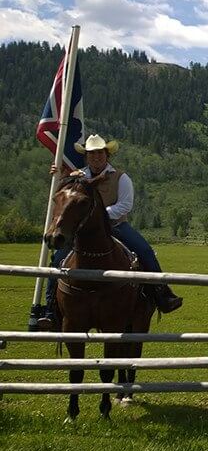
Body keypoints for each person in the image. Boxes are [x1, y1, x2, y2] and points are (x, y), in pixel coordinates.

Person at [41, 134, 183, 327]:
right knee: (58, 260)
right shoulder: (77, 177)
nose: (96, 157)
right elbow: (64, 199)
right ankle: (50, 308)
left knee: (144, 251)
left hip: (115, 226)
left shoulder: (121, 177)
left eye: (100, 153)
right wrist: (59, 176)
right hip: (82, 232)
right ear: (86, 156)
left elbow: (125, 205)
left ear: (107, 155)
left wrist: (100, 217)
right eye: (91, 154)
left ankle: (161, 293)